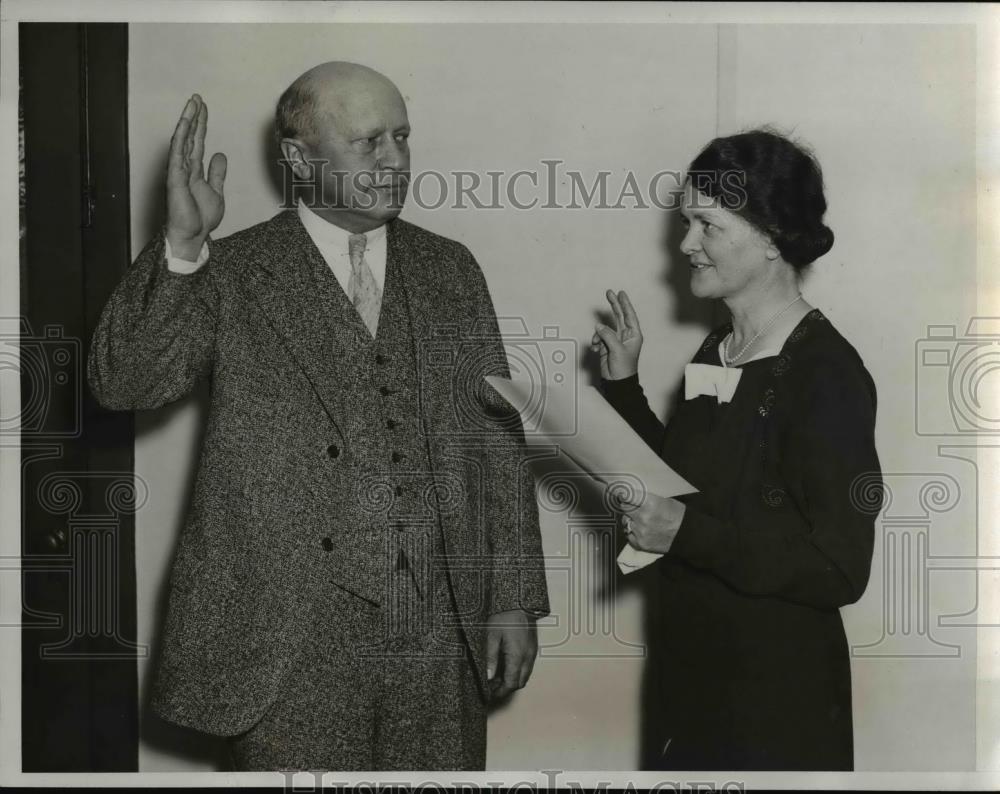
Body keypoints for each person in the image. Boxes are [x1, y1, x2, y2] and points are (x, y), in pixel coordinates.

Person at [87, 62, 549, 771]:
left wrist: (512, 598)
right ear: (300, 159)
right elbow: (125, 382)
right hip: (285, 640)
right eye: (369, 142)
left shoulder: (451, 270)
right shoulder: (233, 269)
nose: (394, 160)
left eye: (402, 137)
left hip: (438, 631)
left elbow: (495, 443)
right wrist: (182, 249)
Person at [591, 129, 882, 771]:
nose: (685, 244)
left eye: (708, 225)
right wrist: (623, 388)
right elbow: (685, 488)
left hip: (775, 707)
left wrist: (686, 532)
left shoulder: (826, 374)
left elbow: (839, 569)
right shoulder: (718, 350)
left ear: (772, 236)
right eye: (686, 222)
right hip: (693, 681)